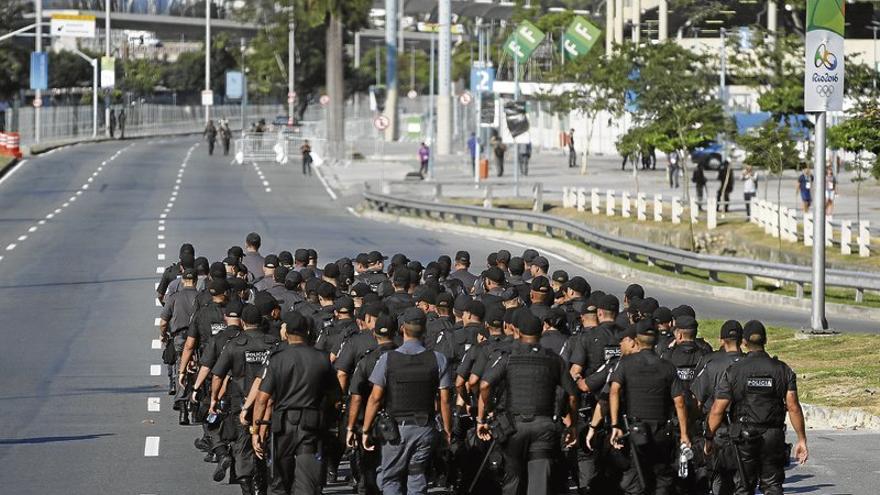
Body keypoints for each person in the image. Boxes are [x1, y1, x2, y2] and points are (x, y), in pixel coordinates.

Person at [476, 312, 578, 495]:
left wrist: (487, 413)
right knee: (540, 485)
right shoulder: (554, 360)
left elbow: (484, 385)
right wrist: (572, 425)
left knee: (512, 480)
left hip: (514, 427)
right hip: (544, 427)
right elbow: (572, 395)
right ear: (542, 331)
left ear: (517, 331)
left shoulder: (509, 357)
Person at [705, 320, 809, 495]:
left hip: (744, 437)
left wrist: (709, 437)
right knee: (772, 485)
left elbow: (718, 408)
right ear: (765, 341)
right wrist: (801, 440)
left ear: (744, 342)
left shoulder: (734, 370)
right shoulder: (782, 370)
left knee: (744, 486)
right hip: (772, 435)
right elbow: (793, 407)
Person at [362, 307, 454, 495]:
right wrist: (447, 430)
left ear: (402, 329)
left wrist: (365, 429)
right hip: (424, 428)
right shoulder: (438, 359)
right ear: (425, 329)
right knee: (417, 476)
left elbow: (375, 397)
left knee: (390, 478)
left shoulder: (388, 359)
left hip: (396, 431)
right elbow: (444, 400)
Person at [251, 311, 339, 495]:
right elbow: (334, 394)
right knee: (307, 479)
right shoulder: (322, 358)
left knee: (280, 479)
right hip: (311, 423)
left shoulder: (277, 359)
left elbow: (262, 399)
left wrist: (256, 429)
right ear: (307, 331)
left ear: (286, 333)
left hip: (283, 426)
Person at [609, 320, 690, 495]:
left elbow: (614, 391)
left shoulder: (625, 363)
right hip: (661, 432)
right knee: (661, 479)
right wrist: (684, 434)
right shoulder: (667, 367)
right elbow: (680, 402)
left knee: (635, 478)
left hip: (635, 431)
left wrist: (615, 425)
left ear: (636, 340)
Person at [211, 305, 278, 494]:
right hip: (270, 403)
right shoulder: (274, 344)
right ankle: (263, 485)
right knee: (268, 441)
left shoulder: (234, 345)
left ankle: (247, 487)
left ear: (242, 322)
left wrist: (214, 399)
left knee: (242, 445)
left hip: (241, 403)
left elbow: (218, 375)